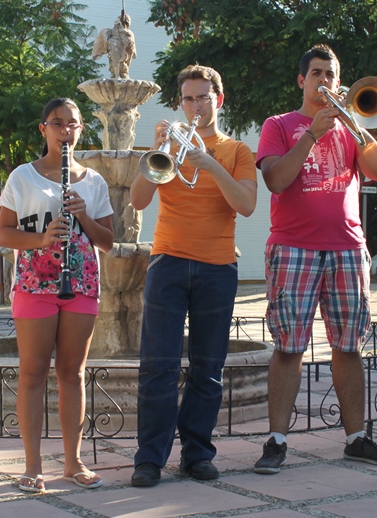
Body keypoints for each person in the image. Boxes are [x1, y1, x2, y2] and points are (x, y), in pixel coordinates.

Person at [253, 44, 377, 474]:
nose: (325, 82)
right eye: (316, 74)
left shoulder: (351, 124)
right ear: (302, 80)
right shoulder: (279, 125)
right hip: (293, 247)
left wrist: (357, 127)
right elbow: (276, 180)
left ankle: (356, 438)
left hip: (348, 248)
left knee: (349, 345)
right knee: (289, 347)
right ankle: (277, 441)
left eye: (331, 75)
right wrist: (313, 134)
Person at [128, 65, 258, 487]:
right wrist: (155, 149)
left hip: (217, 266)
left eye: (203, 97)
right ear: (179, 103)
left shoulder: (237, 150)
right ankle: (149, 459)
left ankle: (197, 454)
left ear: (218, 100)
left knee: (208, 368)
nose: (196, 105)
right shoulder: (170, 147)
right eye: (188, 99)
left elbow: (246, 205)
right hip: (167, 262)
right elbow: (138, 200)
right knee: (157, 367)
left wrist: (210, 164)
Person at [0, 98, 115, 493]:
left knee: (72, 373)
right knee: (31, 373)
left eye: (72, 124)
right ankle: (31, 467)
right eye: (57, 123)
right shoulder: (22, 177)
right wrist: (43, 238)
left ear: (81, 129)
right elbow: (4, 234)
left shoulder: (94, 182)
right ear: (43, 128)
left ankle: (73, 462)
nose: (65, 131)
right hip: (34, 284)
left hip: (80, 284)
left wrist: (83, 215)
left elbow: (109, 242)